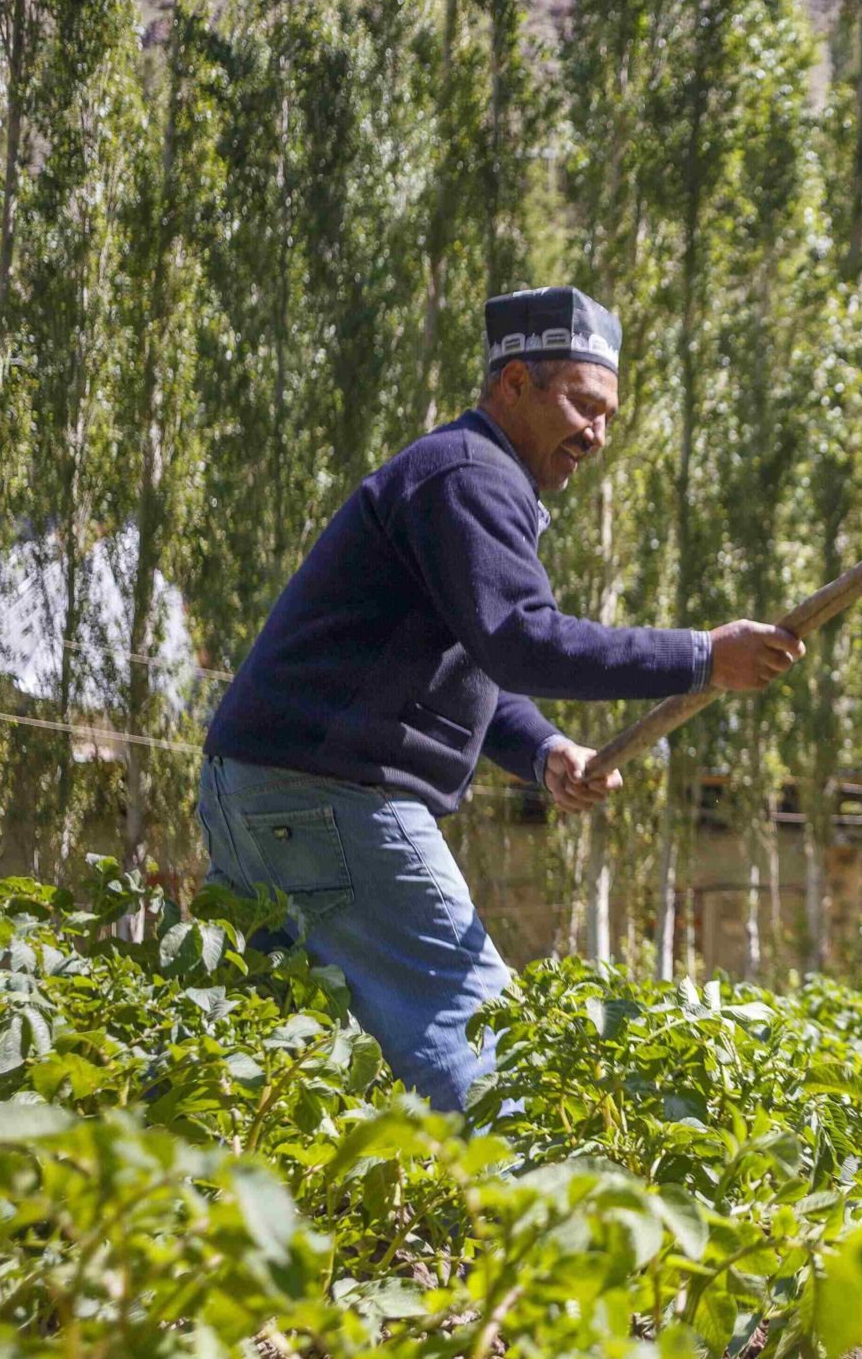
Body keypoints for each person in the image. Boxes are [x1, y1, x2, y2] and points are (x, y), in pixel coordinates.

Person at [196, 286, 801, 1109]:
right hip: (336, 798)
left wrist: (543, 750)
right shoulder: (472, 474)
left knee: (274, 1054)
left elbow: (470, 659)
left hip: (255, 789)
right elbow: (523, 639)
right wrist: (702, 657)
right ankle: (525, 1228)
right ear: (513, 384)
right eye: (584, 406)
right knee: (478, 1034)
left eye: (609, 416)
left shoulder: (454, 473)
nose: (596, 435)